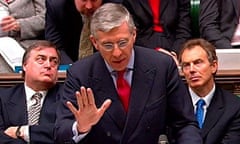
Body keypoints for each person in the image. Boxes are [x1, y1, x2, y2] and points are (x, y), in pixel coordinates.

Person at [55, 3, 202, 144]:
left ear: (134, 35)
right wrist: (81, 127)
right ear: (94, 42)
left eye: (123, 42)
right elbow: (60, 132)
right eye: (107, 45)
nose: (117, 53)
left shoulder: (162, 66)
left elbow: (185, 124)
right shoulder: (80, 73)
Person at [179, 38, 240, 144]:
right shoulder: (173, 104)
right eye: (186, 65)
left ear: (213, 66)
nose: (192, 70)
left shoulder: (234, 107)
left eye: (198, 62)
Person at [0, 41, 62, 143]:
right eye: (41, 59)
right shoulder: (3, 97)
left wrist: (21, 132)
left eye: (54, 61)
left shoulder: (67, 96)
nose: (48, 65)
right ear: (25, 65)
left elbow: (68, 132)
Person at [45, 0, 121, 64]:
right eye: (84, 0)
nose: (89, 6)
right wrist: (74, 70)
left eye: (94, 0)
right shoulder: (57, 5)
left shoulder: (118, 5)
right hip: (70, 62)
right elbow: (55, 45)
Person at [122, 0, 192, 54]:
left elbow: (184, 30)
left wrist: (175, 53)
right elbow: (131, 33)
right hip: (143, 46)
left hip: (174, 45)